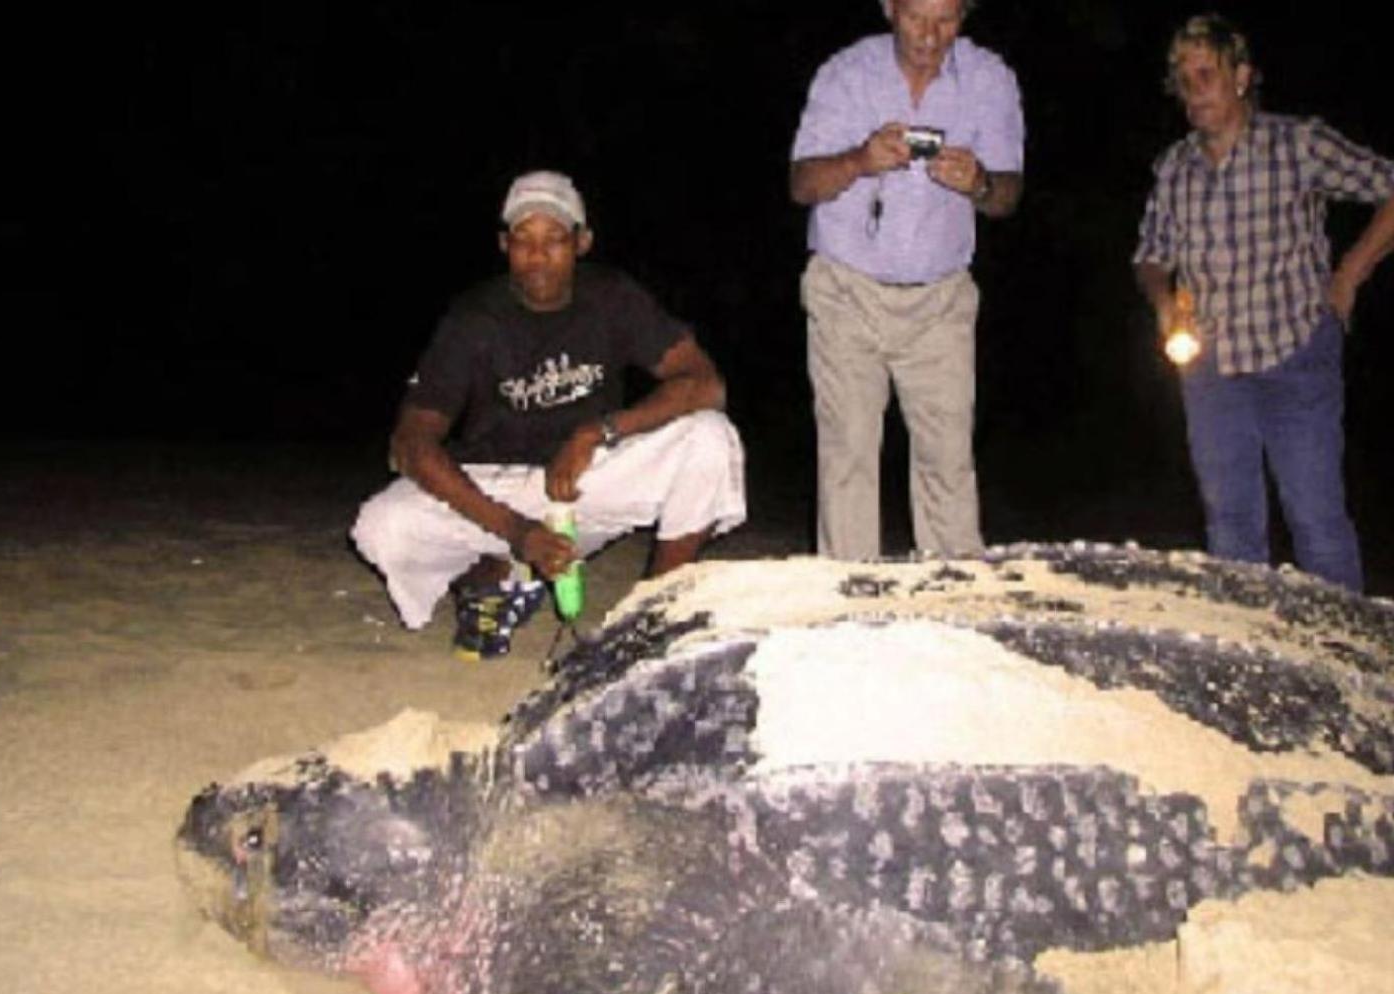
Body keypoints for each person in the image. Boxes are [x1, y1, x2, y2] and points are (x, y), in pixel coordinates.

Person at [352, 170, 746, 659]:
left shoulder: (614, 298)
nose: (537, 256)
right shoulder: (474, 317)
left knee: (708, 435)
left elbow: (705, 383)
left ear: (582, 242)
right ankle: (501, 573)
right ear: (504, 244)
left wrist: (598, 432)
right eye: (523, 240)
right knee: (381, 526)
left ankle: (653, 611)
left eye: (555, 239)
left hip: (585, 482)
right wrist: (518, 531)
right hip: (498, 485)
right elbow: (411, 444)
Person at [1133, 14, 1394, 593]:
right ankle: (1250, 659)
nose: (1194, 91)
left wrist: (1347, 277)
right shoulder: (1175, 169)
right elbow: (1149, 255)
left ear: (1241, 77)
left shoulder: (1298, 143)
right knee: (1231, 527)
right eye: (1183, 80)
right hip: (1211, 368)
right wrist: (1165, 302)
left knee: (1316, 521)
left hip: (1297, 355)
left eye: (1206, 74)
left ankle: (1348, 659)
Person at [789, 0, 1024, 560]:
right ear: (890, 8)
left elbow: (1008, 195)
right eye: (917, 16)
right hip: (846, 289)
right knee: (847, 457)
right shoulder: (846, 75)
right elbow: (802, 183)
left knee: (947, 461)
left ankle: (955, 599)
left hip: (940, 299)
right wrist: (859, 160)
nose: (930, 35)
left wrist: (980, 182)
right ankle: (848, 602)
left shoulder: (989, 78)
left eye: (946, 19)